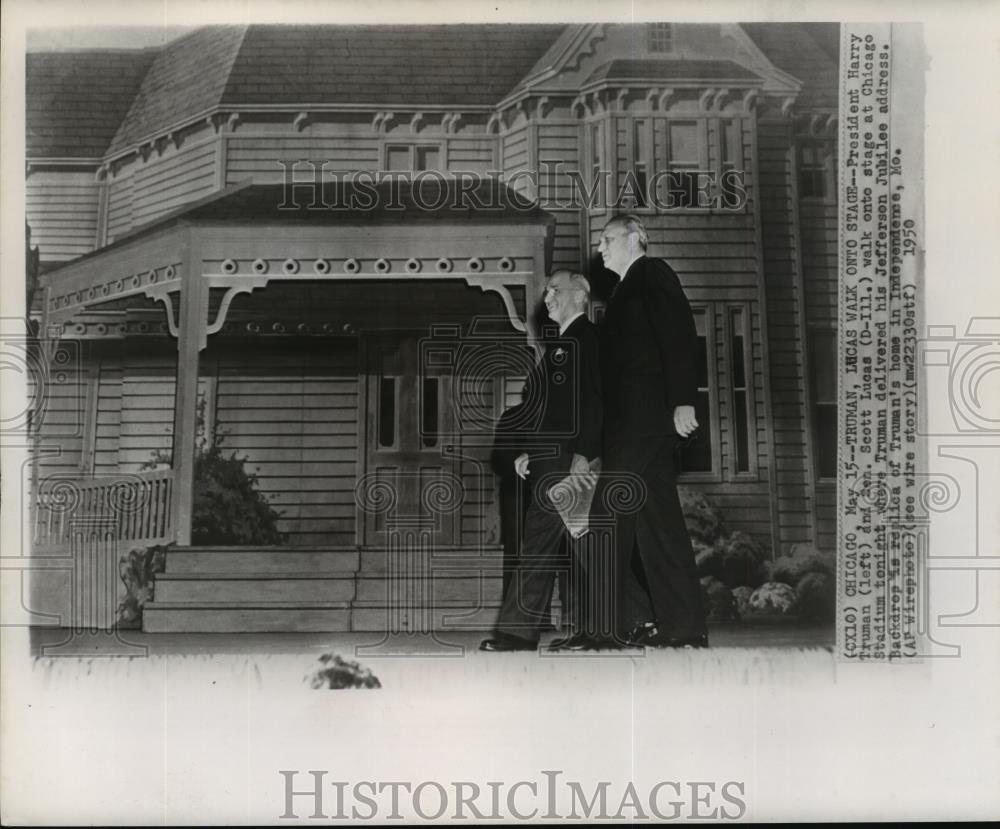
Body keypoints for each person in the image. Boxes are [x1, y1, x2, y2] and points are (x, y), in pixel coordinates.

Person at [590, 213, 709, 649]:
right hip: (631, 429)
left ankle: (636, 619)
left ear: (636, 238)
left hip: (645, 425)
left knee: (605, 517)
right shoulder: (624, 291)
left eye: (607, 239)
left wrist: (683, 399)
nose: (599, 248)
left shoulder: (652, 274)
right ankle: (681, 625)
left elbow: (678, 334)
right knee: (655, 523)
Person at [480, 270, 602, 651]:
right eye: (546, 290)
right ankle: (524, 633)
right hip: (550, 461)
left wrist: (584, 454)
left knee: (582, 547)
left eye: (554, 290)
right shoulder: (562, 346)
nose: (546, 297)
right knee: (548, 545)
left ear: (579, 296)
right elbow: (548, 410)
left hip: (569, 461)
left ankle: (598, 630)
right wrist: (525, 452)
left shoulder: (588, 340)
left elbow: (595, 402)